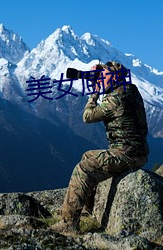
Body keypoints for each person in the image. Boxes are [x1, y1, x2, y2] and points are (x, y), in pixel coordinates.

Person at [51, 61, 149, 233]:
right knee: (88, 156)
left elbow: (87, 117)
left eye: (103, 76)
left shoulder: (115, 100)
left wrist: (94, 93)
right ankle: (88, 209)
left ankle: (68, 223)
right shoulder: (131, 90)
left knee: (84, 168)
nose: (100, 79)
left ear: (114, 77)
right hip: (137, 151)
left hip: (126, 153)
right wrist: (101, 77)